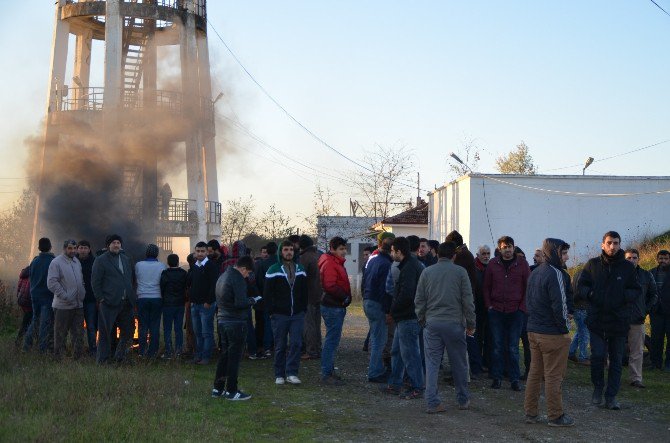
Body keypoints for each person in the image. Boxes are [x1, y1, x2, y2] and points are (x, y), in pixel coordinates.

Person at [577, 231, 641, 410]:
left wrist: (622, 296)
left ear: (620, 245)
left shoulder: (627, 267)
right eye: (609, 243)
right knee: (597, 356)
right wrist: (589, 294)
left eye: (616, 243)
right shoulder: (592, 265)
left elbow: (636, 290)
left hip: (618, 321)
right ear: (602, 245)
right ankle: (597, 387)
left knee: (616, 360)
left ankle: (611, 396)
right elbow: (581, 285)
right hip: (597, 320)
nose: (613, 246)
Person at [415, 241, 475, 413]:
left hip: (432, 323)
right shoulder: (460, 272)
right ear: (453, 256)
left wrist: (422, 319)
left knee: (432, 363)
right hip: (455, 323)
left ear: (437, 254)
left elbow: (419, 299)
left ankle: (432, 401)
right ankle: (463, 399)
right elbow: (467, 301)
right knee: (459, 363)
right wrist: (471, 324)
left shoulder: (427, 272)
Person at [524, 238, 575, 427]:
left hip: (533, 330)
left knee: (534, 374)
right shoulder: (557, 274)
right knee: (554, 376)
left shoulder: (535, 273)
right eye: (563, 253)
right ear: (554, 252)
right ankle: (555, 416)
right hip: (552, 333)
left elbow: (529, 302)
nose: (567, 256)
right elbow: (560, 306)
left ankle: (530, 413)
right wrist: (565, 330)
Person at [483, 235, 530, 391]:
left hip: (516, 311)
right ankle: (496, 378)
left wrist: (522, 308)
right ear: (499, 249)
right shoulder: (492, 264)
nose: (508, 250)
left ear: (514, 247)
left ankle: (514, 379)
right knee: (496, 346)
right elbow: (486, 287)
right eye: (505, 247)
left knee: (513, 347)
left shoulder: (522, 264)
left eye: (510, 247)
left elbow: (527, 288)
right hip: (496, 310)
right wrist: (489, 306)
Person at [383, 237, 425, 399]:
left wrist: (392, 310)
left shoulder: (409, 268)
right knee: (398, 351)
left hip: (409, 316)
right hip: (406, 316)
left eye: (393, 251)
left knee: (410, 353)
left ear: (399, 251)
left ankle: (417, 387)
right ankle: (395, 384)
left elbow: (407, 294)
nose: (391, 254)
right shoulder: (411, 265)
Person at [211, 256, 258, 401]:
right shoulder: (237, 278)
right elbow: (240, 302)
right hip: (235, 322)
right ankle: (232, 390)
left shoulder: (223, 275)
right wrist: (253, 300)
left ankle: (217, 389)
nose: (247, 276)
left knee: (224, 356)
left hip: (222, 320)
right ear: (243, 268)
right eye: (248, 273)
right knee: (234, 358)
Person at [264, 240, 308, 385]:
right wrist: (271, 312)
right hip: (279, 314)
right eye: (285, 250)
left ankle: (292, 373)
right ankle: (279, 374)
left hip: (297, 314)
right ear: (281, 252)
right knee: (280, 345)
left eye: (291, 249)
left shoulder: (300, 269)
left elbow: (304, 291)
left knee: (296, 343)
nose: (288, 252)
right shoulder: (273, 269)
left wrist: (302, 309)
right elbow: (268, 293)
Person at [91, 234, 136, 364]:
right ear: (108, 245)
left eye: (118, 243)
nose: (116, 245)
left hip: (126, 302)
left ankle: (120, 357)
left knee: (128, 331)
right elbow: (95, 281)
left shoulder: (126, 259)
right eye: (113, 243)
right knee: (105, 333)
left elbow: (130, 278)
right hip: (108, 303)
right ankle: (103, 360)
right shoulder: (101, 260)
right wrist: (101, 299)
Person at [445, 230, 483, 377]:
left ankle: (472, 369)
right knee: (468, 336)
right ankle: (473, 368)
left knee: (468, 336)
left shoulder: (462, 256)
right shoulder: (466, 254)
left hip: (464, 300)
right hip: (467, 298)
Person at [318, 236, 352, 385]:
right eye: (341, 249)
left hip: (334, 305)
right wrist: (344, 297)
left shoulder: (333, 261)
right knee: (332, 340)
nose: (344, 252)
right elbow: (330, 285)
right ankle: (327, 373)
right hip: (333, 305)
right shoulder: (331, 263)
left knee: (332, 340)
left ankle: (329, 371)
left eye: (345, 249)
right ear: (333, 249)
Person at [363, 231, 395, 382]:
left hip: (368, 300)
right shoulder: (387, 264)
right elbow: (386, 290)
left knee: (375, 337)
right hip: (377, 303)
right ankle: (375, 372)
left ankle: (375, 368)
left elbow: (365, 280)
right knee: (379, 340)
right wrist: (388, 311)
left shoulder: (372, 259)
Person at [47, 239, 86, 359]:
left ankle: (77, 359)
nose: (73, 251)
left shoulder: (76, 262)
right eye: (70, 248)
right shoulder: (56, 262)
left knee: (78, 334)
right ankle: (59, 358)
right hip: (63, 306)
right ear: (64, 249)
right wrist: (65, 296)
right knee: (60, 334)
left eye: (74, 248)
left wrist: (82, 291)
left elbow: (80, 280)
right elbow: (51, 283)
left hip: (78, 305)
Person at [624, 248, 657, 388]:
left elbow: (654, 295)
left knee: (637, 351)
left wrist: (645, 310)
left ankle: (636, 378)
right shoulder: (616, 274)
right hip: (618, 318)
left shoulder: (646, 275)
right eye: (629, 258)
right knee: (613, 348)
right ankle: (610, 377)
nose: (631, 260)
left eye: (634, 258)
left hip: (637, 318)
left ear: (639, 259)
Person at [187, 241, 219, 365]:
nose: (200, 253)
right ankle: (197, 356)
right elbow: (191, 282)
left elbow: (214, 285)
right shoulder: (194, 266)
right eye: (198, 251)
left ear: (207, 252)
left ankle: (206, 357)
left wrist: (209, 301)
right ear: (195, 252)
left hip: (207, 305)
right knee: (197, 332)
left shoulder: (211, 266)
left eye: (202, 251)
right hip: (195, 304)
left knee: (206, 332)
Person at [23, 237, 56, 354]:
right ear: (50, 247)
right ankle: (43, 350)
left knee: (35, 320)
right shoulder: (53, 261)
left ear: (39, 248)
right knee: (45, 324)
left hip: (35, 296)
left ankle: (26, 346)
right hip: (47, 296)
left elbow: (30, 278)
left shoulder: (34, 261)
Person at [135, 244, 167, 358]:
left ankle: (142, 352)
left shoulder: (138, 265)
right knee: (154, 326)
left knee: (143, 326)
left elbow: (135, 279)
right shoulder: (161, 266)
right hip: (157, 298)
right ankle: (153, 352)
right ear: (157, 254)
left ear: (146, 253)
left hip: (142, 298)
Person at [160, 253, 188, 359]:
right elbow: (186, 287)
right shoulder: (183, 273)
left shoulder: (165, 273)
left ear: (167, 262)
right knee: (178, 329)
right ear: (178, 261)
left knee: (167, 329)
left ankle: (168, 352)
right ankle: (179, 351)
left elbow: (161, 288)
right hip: (180, 304)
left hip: (167, 304)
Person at [299, 235, 322, 360]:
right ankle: (318, 348)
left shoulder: (304, 258)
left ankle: (311, 351)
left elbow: (301, 278)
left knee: (309, 325)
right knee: (316, 324)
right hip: (319, 294)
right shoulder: (318, 255)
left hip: (308, 295)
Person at [256, 242, 278, 357]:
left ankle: (267, 347)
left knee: (267, 323)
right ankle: (278, 345)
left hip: (266, 297)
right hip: (280, 297)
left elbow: (259, 281)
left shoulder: (262, 264)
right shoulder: (281, 264)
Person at [649, 249, 670, 371]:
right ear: (657, 259)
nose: (663, 261)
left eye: (666, 258)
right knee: (656, 339)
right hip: (656, 311)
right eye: (661, 258)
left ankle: (668, 364)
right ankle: (655, 363)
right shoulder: (651, 273)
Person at [77, 240, 97, 355]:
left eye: (85, 248)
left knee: (91, 326)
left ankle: (93, 349)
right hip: (77, 300)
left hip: (91, 299)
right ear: (78, 249)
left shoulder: (94, 262)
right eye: (81, 248)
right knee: (78, 327)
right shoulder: (73, 261)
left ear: (89, 250)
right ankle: (78, 350)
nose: (83, 250)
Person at [568, 268, 591, 366]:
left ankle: (571, 352)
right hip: (582, 308)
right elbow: (583, 293)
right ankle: (583, 357)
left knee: (580, 331)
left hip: (578, 307)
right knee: (585, 333)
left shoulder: (578, 273)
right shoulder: (587, 276)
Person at [474, 245, 491, 370]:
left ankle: (487, 362)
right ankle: (477, 363)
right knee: (477, 337)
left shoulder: (491, 267)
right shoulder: (474, 268)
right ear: (478, 255)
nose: (486, 256)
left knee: (489, 337)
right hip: (477, 308)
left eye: (488, 253)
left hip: (489, 308)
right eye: (483, 253)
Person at [15, 265, 33, 347]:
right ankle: (22, 342)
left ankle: (19, 341)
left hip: (22, 300)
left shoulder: (24, 273)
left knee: (26, 321)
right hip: (28, 302)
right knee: (28, 322)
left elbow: (18, 288)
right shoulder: (33, 274)